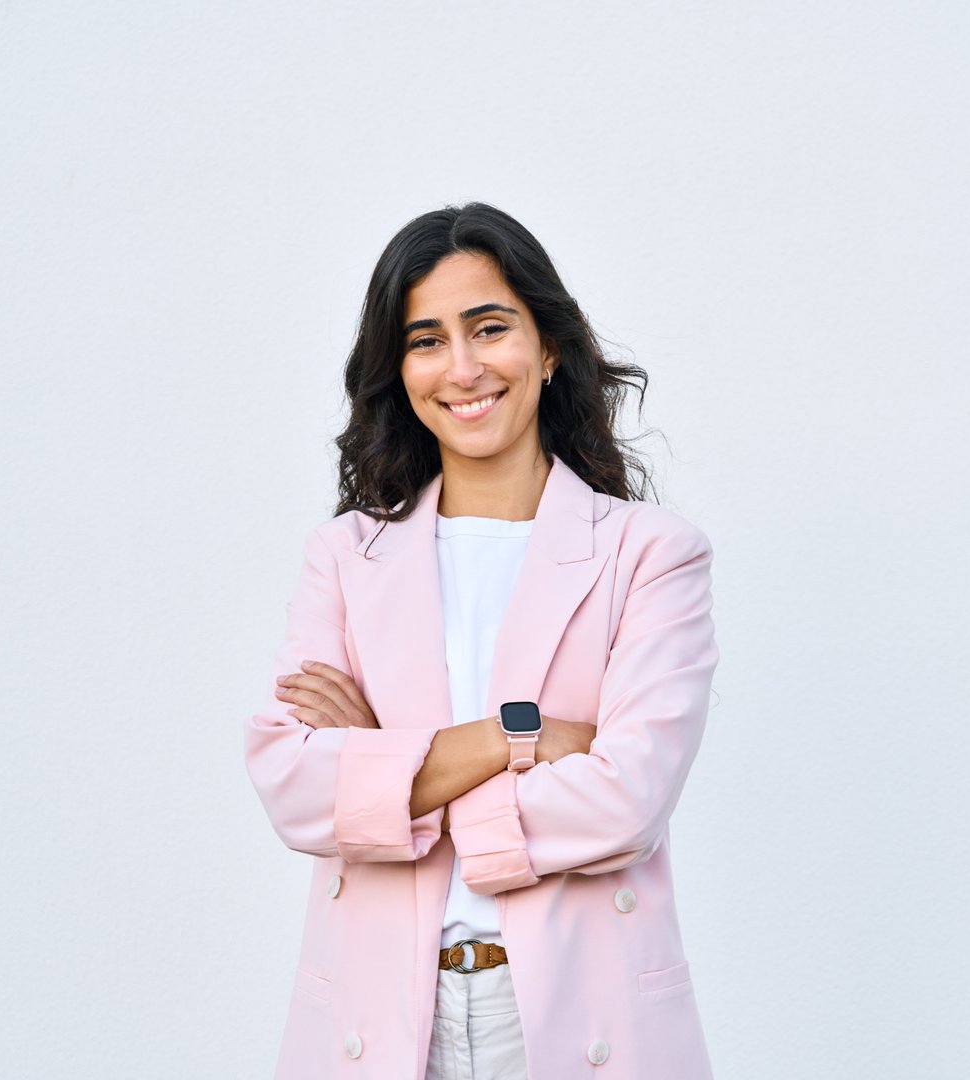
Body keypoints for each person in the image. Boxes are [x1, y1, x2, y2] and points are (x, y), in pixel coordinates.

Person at [244, 202, 719, 1079]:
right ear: (399, 370)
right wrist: (519, 740)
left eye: (489, 327)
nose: (461, 368)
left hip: (577, 1016)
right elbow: (290, 786)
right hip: (378, 1013)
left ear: (549, 348)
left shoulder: (650, 553)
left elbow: (627, 800)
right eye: (425, 340)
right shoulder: (348, 556)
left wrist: (385, 772)